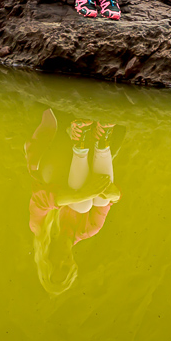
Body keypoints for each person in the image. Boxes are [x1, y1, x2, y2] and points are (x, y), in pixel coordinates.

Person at [24, 109, 124, 295]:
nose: (62, 262)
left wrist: (83, 195)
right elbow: (112, 199)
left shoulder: (39, 228)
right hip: (89, 172)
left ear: (46, 263)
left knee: (84, 204)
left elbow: (40, 199)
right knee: (98, 202)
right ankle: (102, 140)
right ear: (73, 265)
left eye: (56, 266)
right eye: (66, 268)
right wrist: (111, 194)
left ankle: (81, 143)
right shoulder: (89, 228)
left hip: (54, 166)